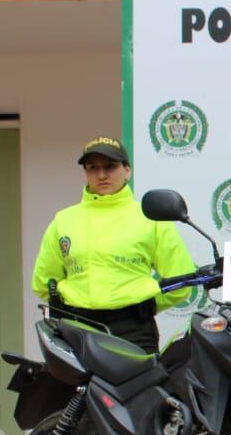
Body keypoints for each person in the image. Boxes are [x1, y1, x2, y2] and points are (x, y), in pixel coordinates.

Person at [32, 136, 194, 354]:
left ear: (127, 170)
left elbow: (181, 280)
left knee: (141, 389)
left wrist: (144, 306)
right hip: (77, 327)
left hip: (133, 328)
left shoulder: (150, 218)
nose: (101, 175)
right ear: (86, 173)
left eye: (110, 167)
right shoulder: (63, 221)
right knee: (75, 389)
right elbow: (43, 281)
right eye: (93, 168)